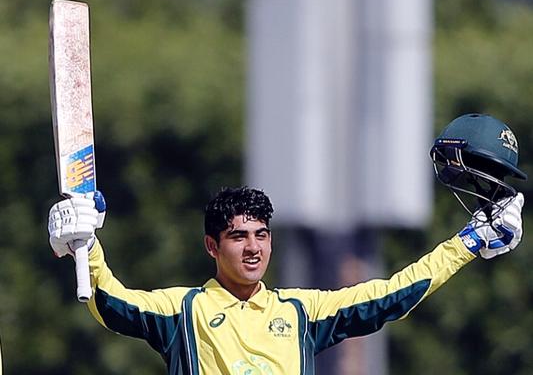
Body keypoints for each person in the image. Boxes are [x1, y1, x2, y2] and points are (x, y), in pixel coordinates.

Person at [47, 113, 526, 375]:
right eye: (238, 237)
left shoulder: (302, 312)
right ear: (212, 246)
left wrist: (468, 242)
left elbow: (392, 296)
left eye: (261, 235)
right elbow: (111, 304)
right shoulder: (183, 312)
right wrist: (84, 243)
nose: (253, 248)